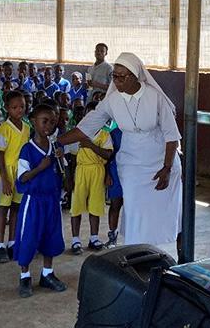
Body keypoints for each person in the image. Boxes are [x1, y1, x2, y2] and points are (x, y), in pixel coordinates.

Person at [60, 52, 182, 249]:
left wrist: (167, 168)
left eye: (120, 76)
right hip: (132, 164)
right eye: (113, 76)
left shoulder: (156, 98)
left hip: (162, 163)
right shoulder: (112, 100)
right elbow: (86, 127)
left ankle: (163, 254)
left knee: (161, 212)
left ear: (134, 76)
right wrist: (58, 142)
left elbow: (172, 136)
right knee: (134, 210)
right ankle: (136, 253)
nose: (115, 80)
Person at [14, 104, 67, 298]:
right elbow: (23, 178)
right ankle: (25, 276)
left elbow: (63, 174)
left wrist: (60, 160)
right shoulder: (27, 150)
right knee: (29, 236)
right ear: (33, 122)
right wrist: (41, 167)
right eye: (45, 121)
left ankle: (47, 273)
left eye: (53, 122)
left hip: (51, 199)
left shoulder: (56, 147)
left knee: (50, 236)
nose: (49, 125)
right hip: (34, 201)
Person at [65, 101, 112, 254]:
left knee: (95, 206)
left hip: (97, 171)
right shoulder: (78, 134)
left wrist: (90, 145)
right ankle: (76, 240)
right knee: (76, 206)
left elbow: (108, 154)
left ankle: (93, 237)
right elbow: (71, 157)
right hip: (81, 171)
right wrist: (69, 178)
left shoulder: (105, 134)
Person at [0, 90, 30, 263]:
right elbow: (0, 156)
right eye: (15, 107)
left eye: (22, 106)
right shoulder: (4, 128)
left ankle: (12, 242)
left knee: (16, 207)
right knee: (3, 209)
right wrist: (5, 179)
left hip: (21, 173)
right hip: (6, 172)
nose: (19, 110)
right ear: (7, 108)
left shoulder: (27, 127)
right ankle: (0, 245)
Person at [104, 124, 123, 249]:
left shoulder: (137, 132)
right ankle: (112, 236)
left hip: (133, 172)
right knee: (115, 204)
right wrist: (107, 174)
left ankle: (132, 236)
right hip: (116, 172)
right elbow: (107, 156)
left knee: (132, 208)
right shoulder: (114, 133)